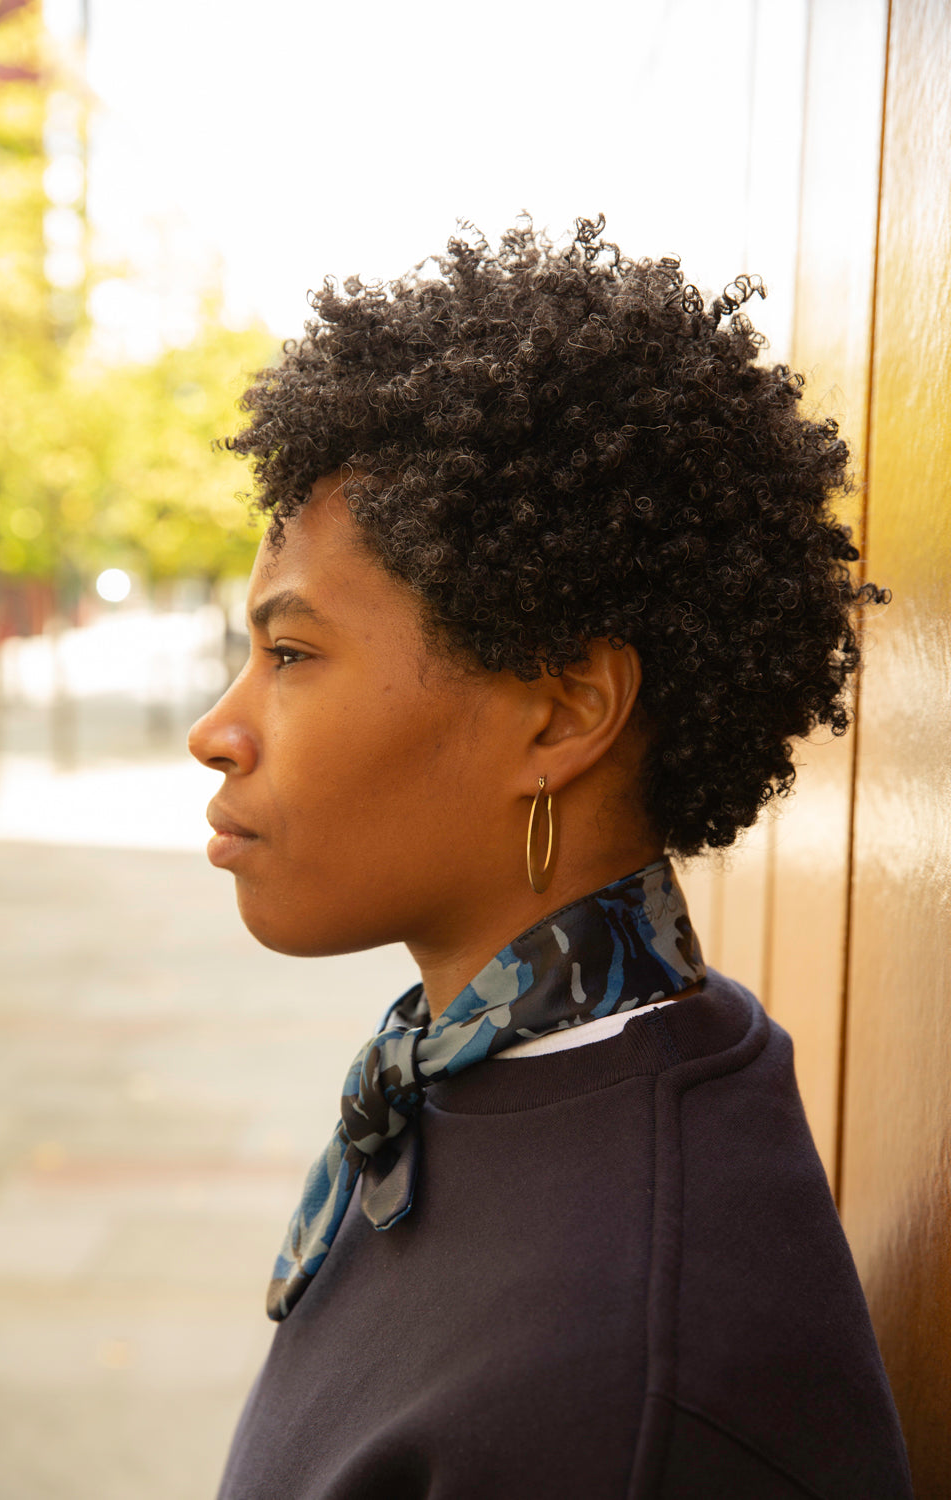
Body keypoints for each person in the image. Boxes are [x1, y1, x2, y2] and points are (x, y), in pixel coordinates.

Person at [188, 217, 913, 1498]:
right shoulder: (524, 1070)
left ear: (565, 711)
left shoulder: (613, 1397)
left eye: (291, 655)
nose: (218, 732)